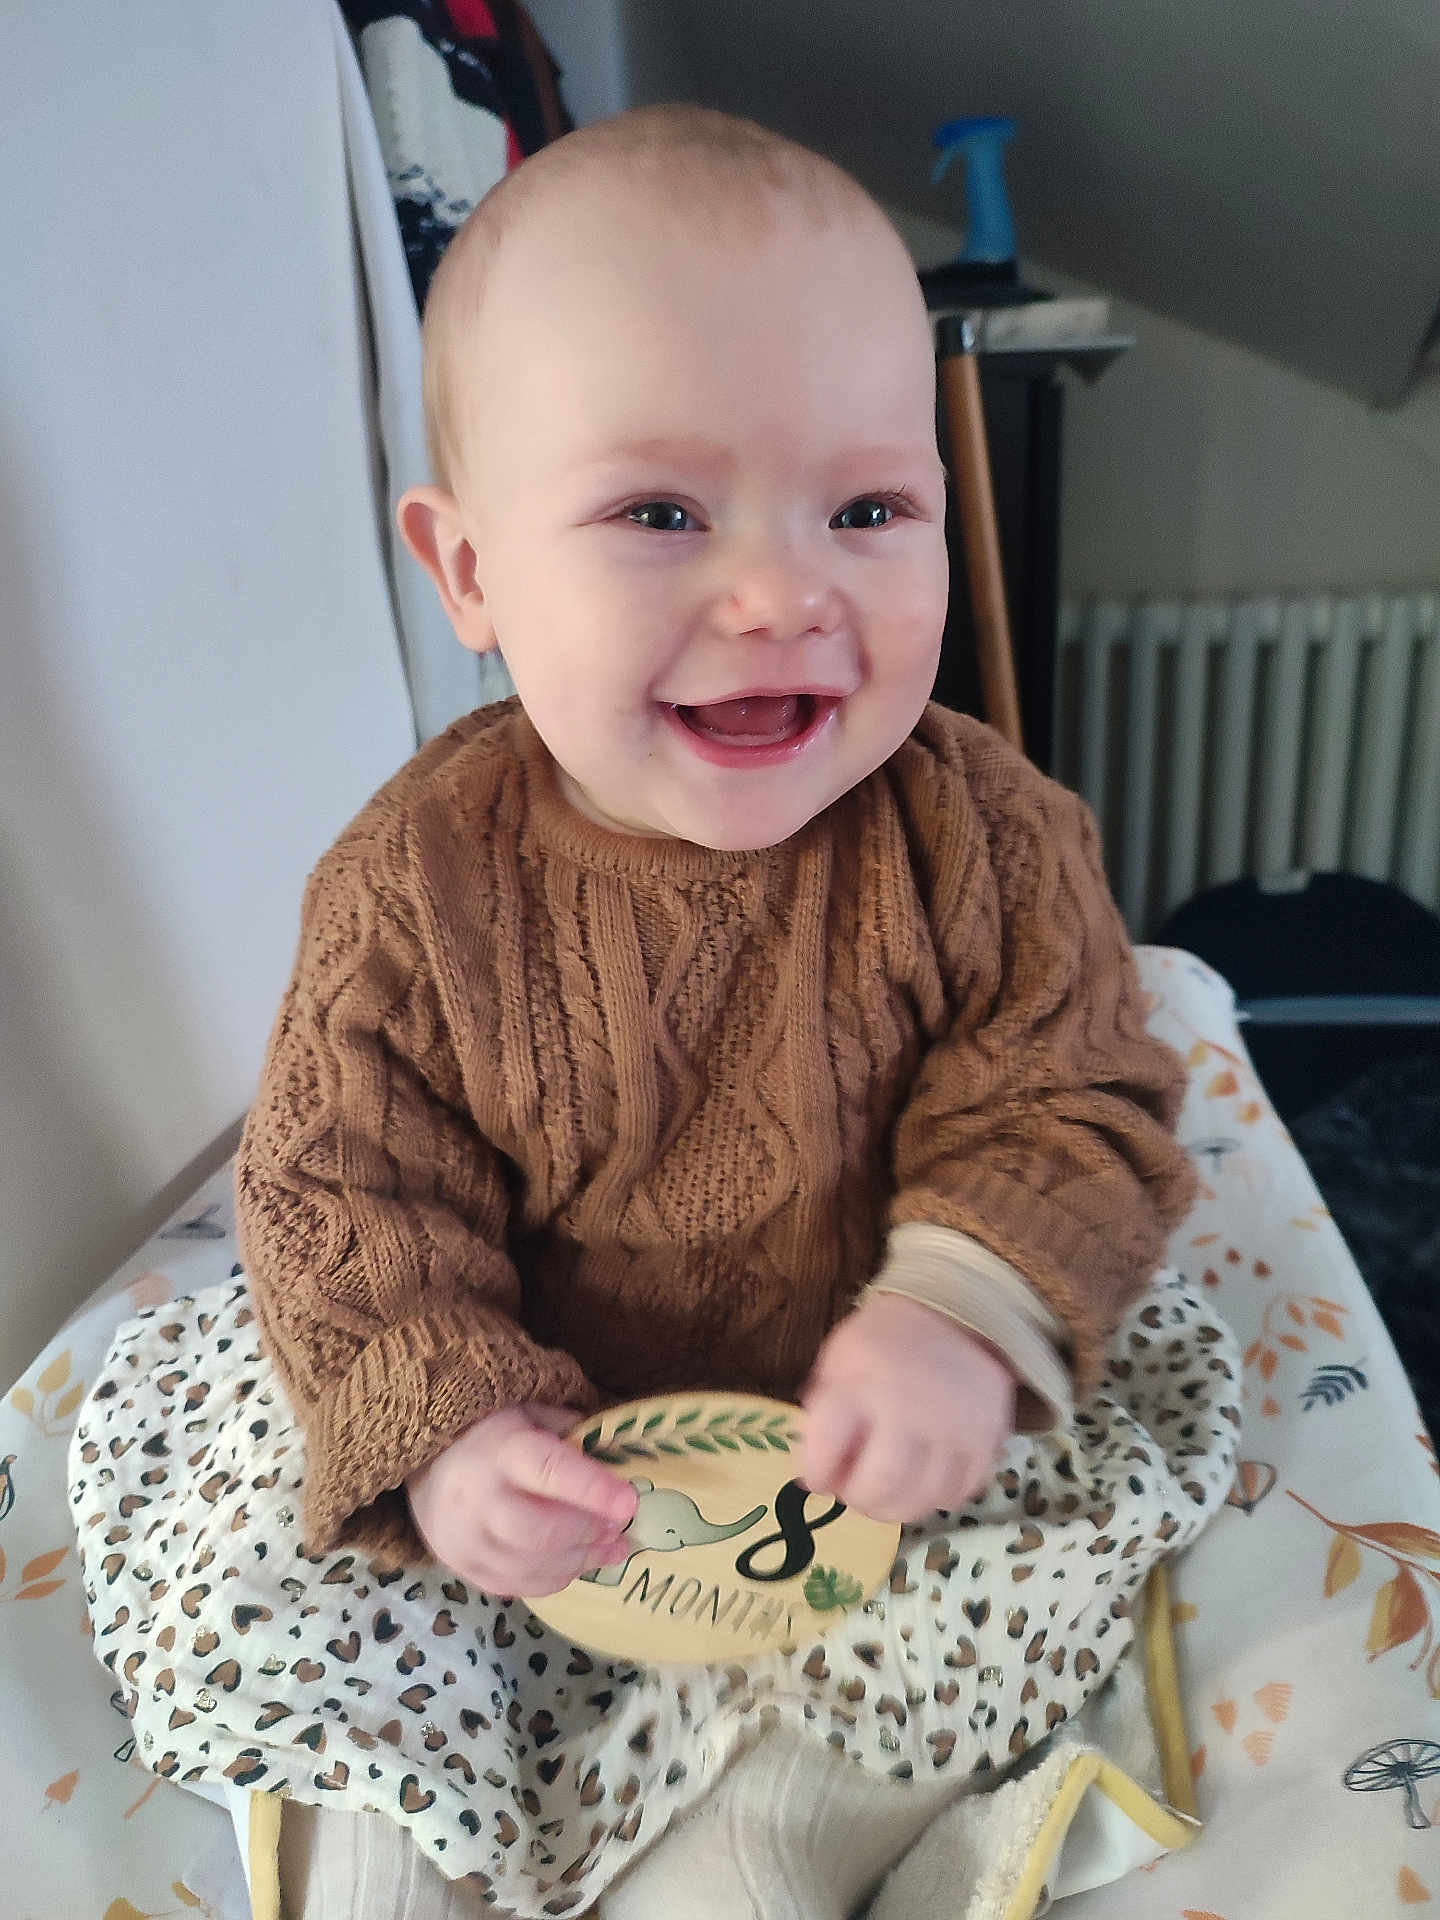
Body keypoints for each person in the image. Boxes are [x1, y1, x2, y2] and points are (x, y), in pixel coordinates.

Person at [73, 104, 1238, 1920]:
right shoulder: (414, 883)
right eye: (660, 512)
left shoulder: (984, 837)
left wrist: (956, 1318)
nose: (784, 595)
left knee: (965, 1633)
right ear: (469, 571)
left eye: (870, 506)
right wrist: (453, 1436)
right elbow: (339, 1195)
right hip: (527, 1445)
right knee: (323, 1624)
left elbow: (1071, 1093)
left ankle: (762, 1855)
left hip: (864, 1445)